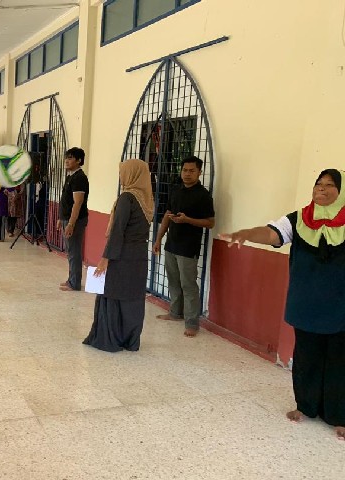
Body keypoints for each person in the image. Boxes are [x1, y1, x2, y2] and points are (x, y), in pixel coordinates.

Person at [219, 168, 345, 441]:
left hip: (341, 305)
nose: (321, 189)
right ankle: (306, 406)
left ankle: (340, 416)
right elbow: (272, 234)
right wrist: (246, 233)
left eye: (330, 185)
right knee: (306, 357)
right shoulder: (299, 219)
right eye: (318, 184)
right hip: (307, 303)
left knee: (339, 361)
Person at [83, 159, 154, 352]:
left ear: (132, 174)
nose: (121, 176)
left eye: (123, 172)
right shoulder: (147, 199)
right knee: (132, 296)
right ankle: (130, 340)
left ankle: (110, 338)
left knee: (113, 293)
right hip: (139, 255)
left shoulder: (127, 198)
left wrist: (105, 258)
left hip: (122, 255)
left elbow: (118, 231)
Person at [152, 156, 215, 337]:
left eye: (191, 171)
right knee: (173, 281)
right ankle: (174, 313)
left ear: (199, 172)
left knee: (188, 285)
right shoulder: (175, 190)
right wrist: (158, 239)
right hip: (171, 244)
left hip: (188, 247)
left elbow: (210, 222)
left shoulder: (203, 195)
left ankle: (192, 323)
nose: (187, 174)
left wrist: (187, 220)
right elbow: (167, 215)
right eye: (185, 170)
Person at [57, 147, 89, 291]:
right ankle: (71, 279)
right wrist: (61, 218)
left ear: (79, 160)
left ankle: (74, 283)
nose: (67, 161)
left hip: (75, 221)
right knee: (70, 251)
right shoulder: (71, 176)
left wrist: (71, 223)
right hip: (67, 219)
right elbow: (66, 200)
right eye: (66, 157)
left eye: (70, 158)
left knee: (74, 251)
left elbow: (78, 202)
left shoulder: (79, 178)